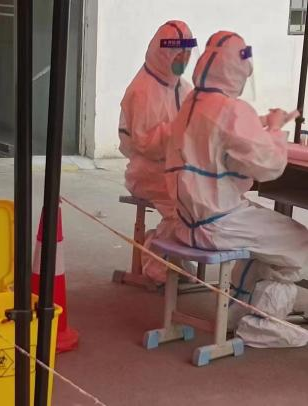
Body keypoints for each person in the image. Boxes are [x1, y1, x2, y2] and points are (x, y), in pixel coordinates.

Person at [164, 31, 308, 348]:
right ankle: (263, 324)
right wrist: (274, 129)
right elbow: (269, 165)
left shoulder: (192, 102)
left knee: (268, 241)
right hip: (219, 222)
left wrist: (264, 122)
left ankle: (237, 311)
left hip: (187, 221)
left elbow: (222, 132)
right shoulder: (231, 109)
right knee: (299, 244)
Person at [118, 20, 198, 283]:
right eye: (179, 54)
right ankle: (157, 259)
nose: (184, 60)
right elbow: (143, 144)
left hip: (174, 169)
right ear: (164, 53)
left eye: (187, 54)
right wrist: (177, 131)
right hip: (147, 172)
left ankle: (171, 256)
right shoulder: (142, 90)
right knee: (184, 205)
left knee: (205, 200)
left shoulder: (182, 88)